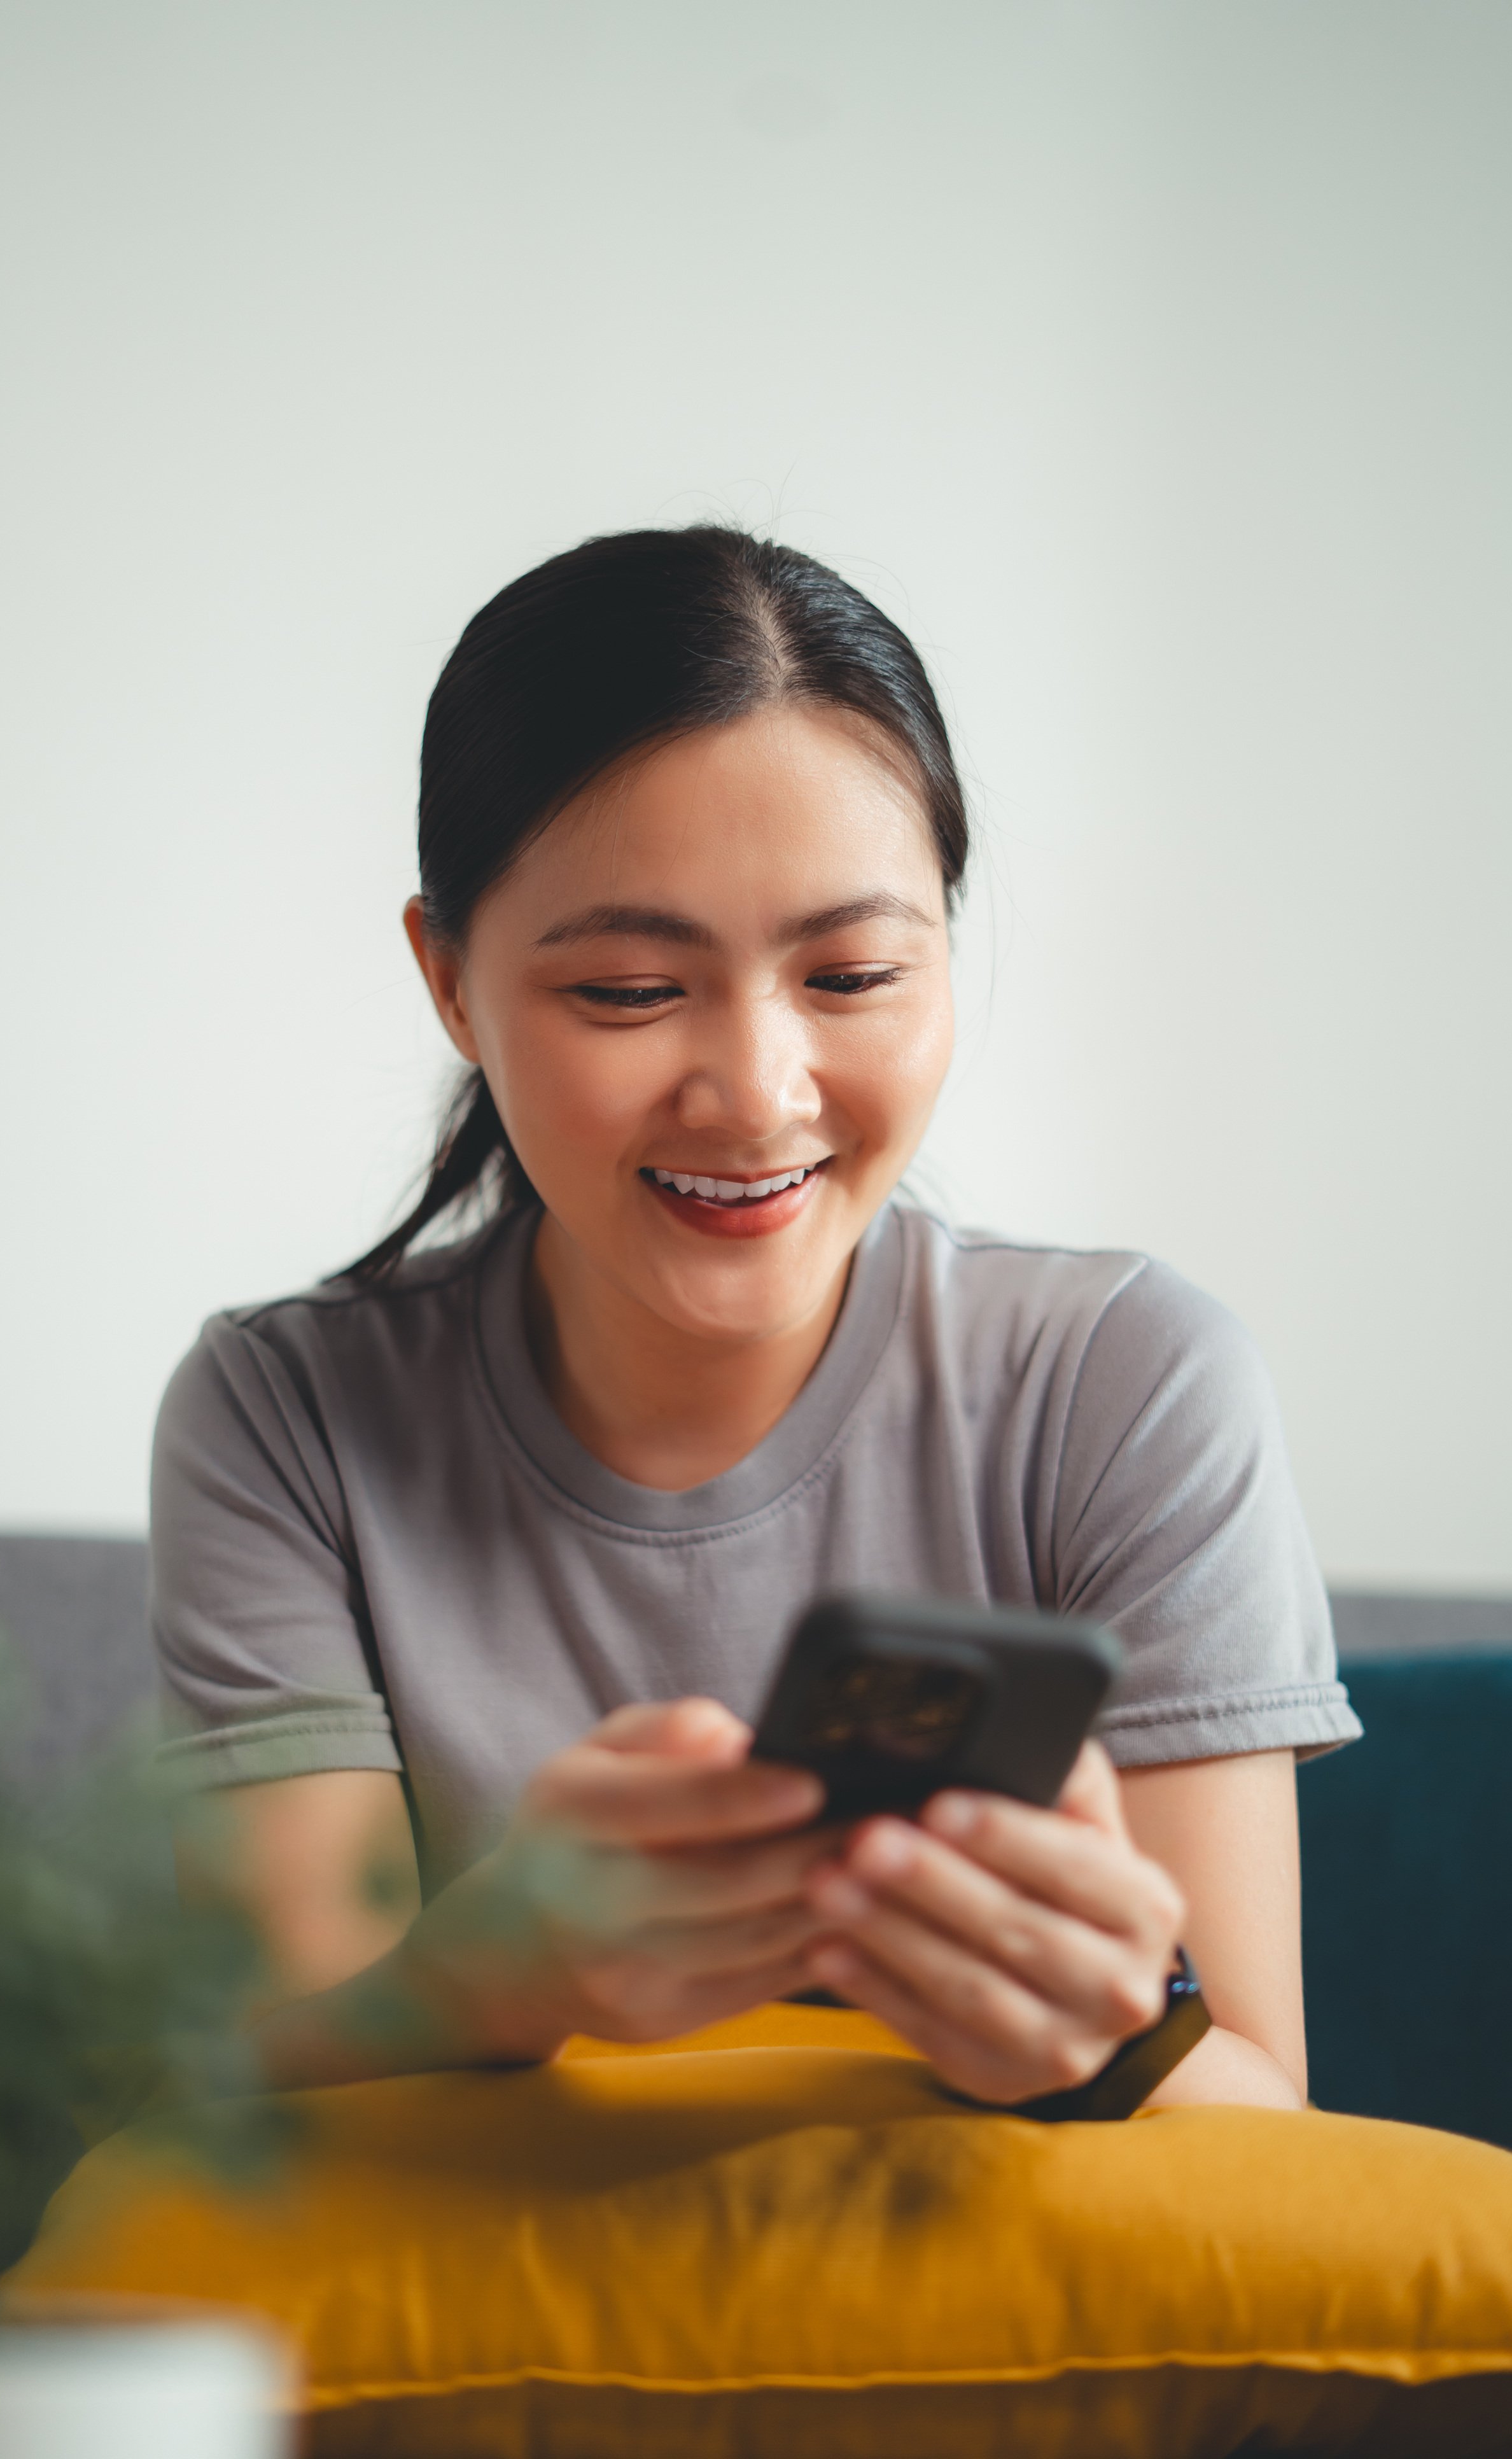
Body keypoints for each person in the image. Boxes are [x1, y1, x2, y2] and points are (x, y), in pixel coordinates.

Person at [152, 525, 1359, 2112]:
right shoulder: (286, 1413)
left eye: (852, 975)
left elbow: (1268, 2117)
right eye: (630, 994)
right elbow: (252, 2099)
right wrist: (505, 1965)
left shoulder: (1124, 1381)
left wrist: (1098, 2045)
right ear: (450, 980)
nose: (757, 1094)